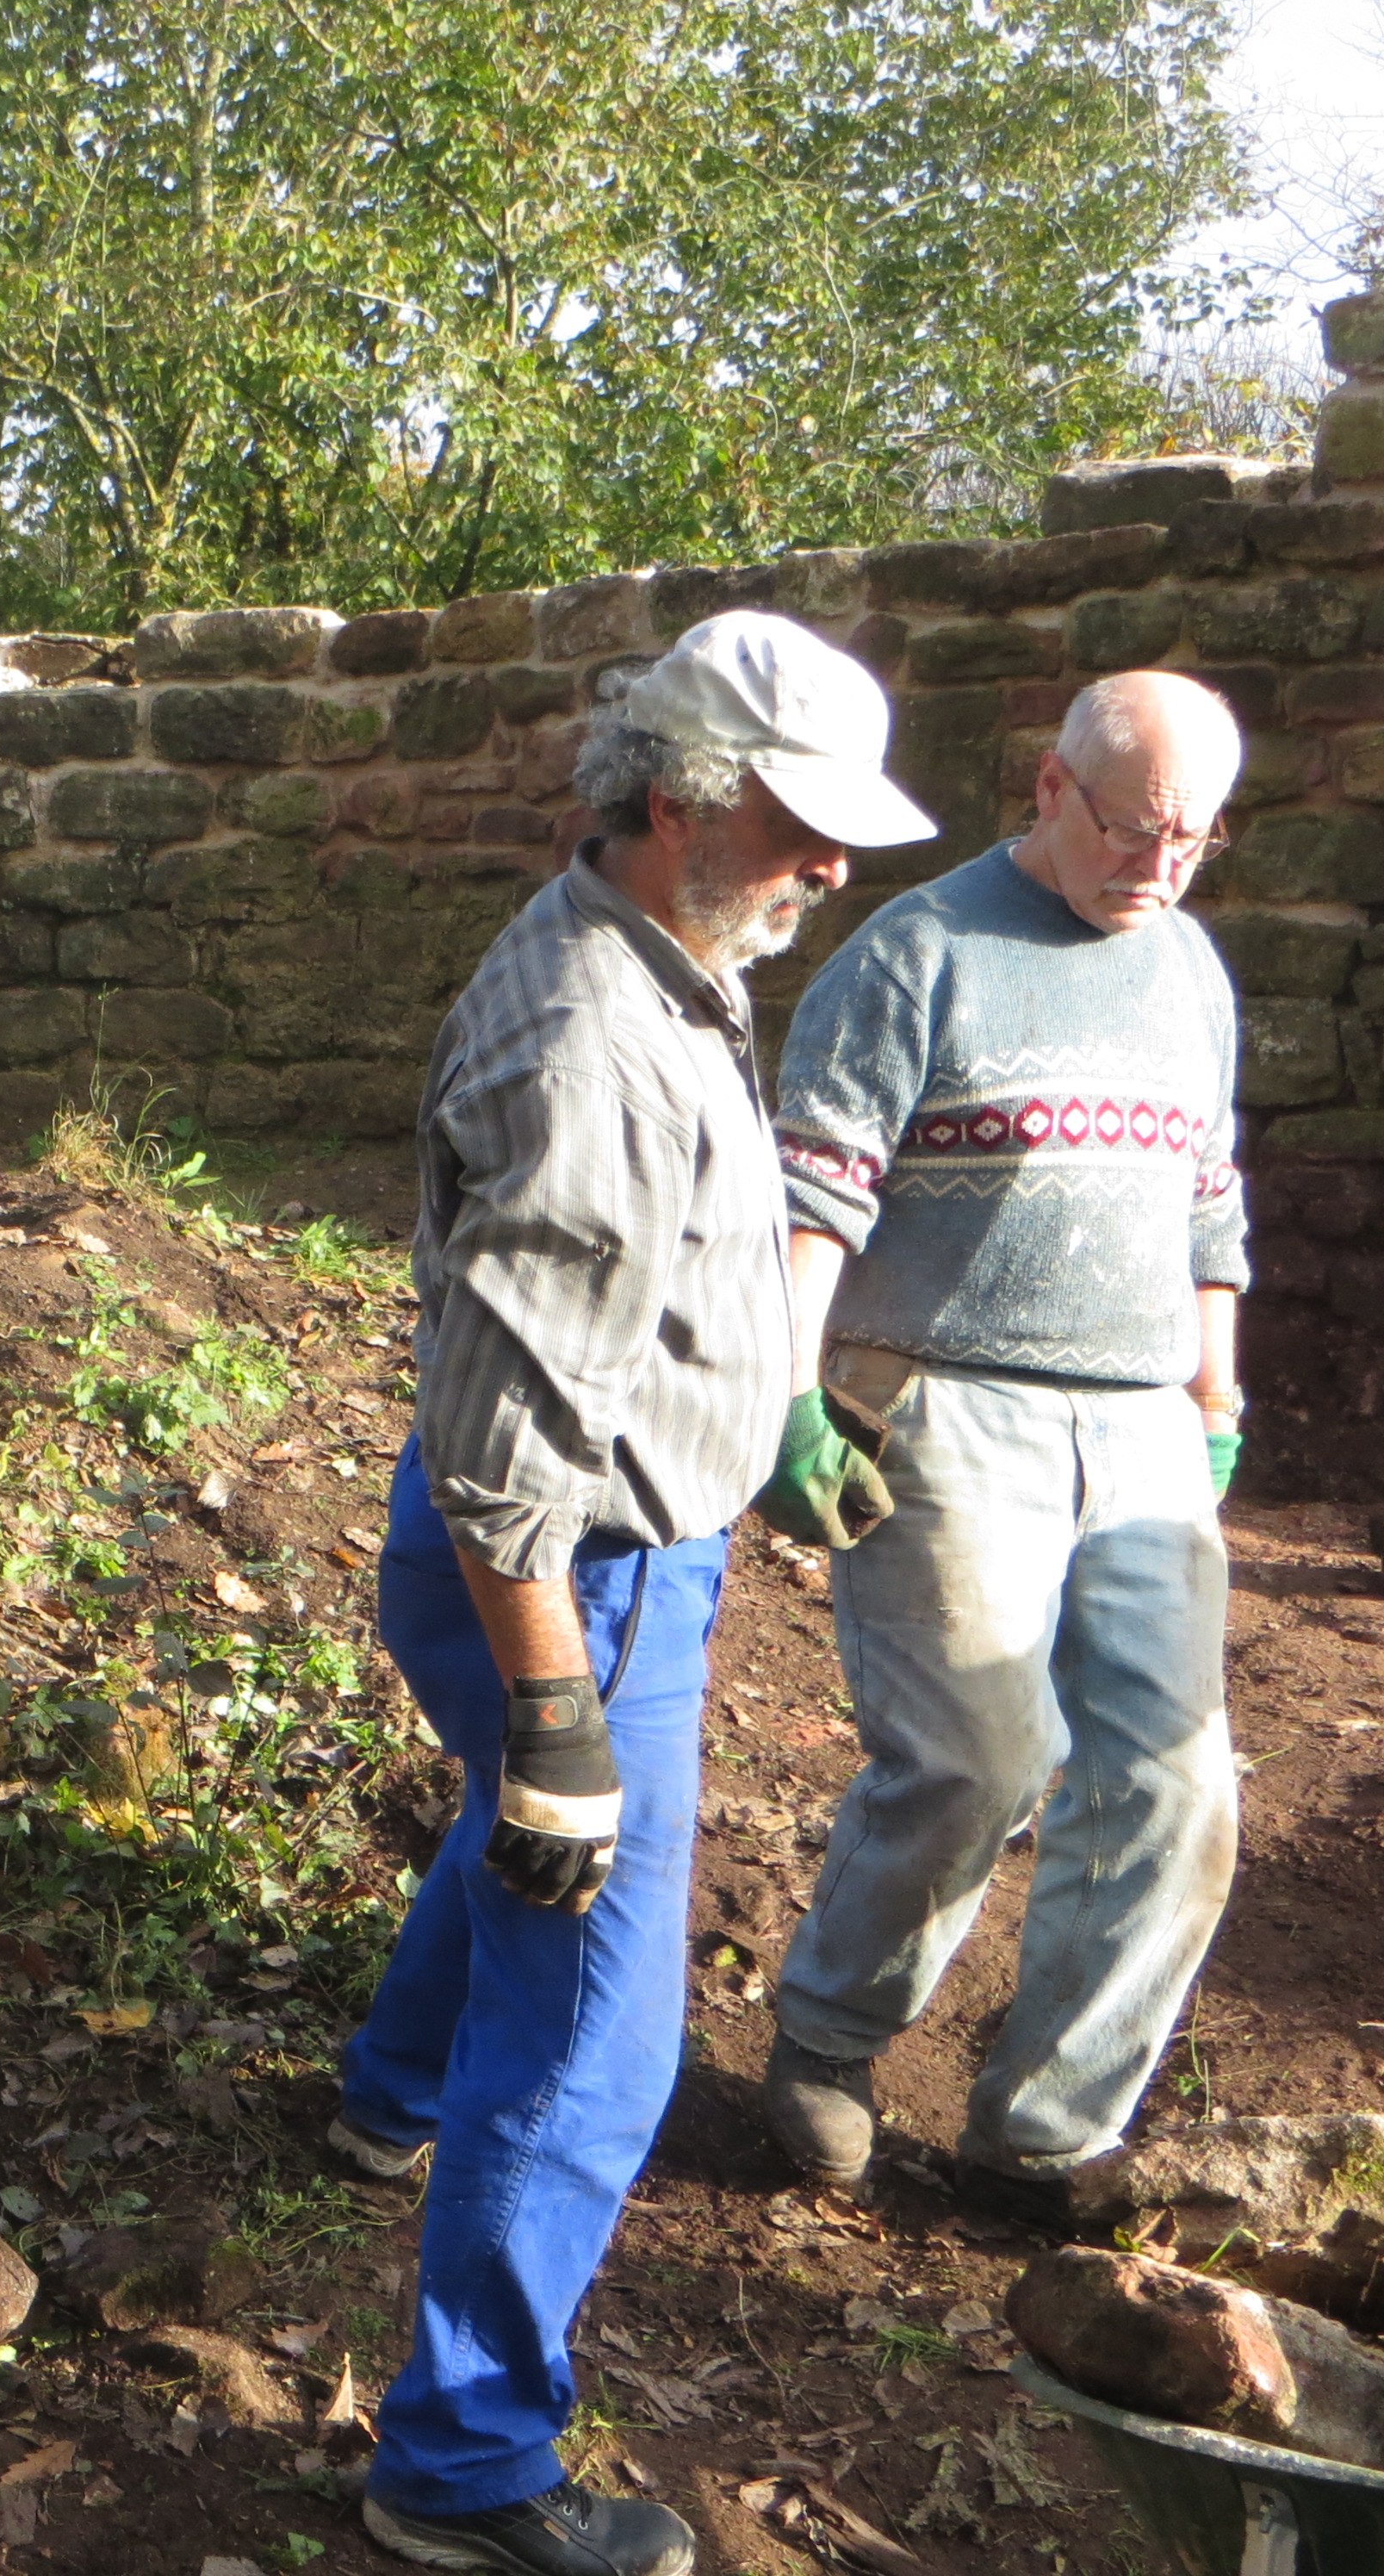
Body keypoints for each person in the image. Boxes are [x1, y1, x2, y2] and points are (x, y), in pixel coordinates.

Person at [330, 612, 934, 2576]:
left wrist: (770, 1412)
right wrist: (553, 1714)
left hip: (595, 1552)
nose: (828, 865)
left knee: (527, 1862)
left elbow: (644, 1286)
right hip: (569, 1581)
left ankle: (384, 2097)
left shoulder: (673, 953)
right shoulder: (592, 1041)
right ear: (676, 799)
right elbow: (510, 1450)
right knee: (594, 2034)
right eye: (796, 823)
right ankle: (461, 2470)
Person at [756, 669, 1247, 2210]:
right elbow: (812, 1199)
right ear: (1049, 786)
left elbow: (1210, 1201)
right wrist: (787, 1391)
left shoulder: (1190, 967)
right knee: (983, 1757)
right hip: (950, 1399)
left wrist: (1216, 1398)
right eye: (1131, 829)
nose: (1157, 866)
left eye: (1192, 841)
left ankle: (1047, 2130)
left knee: (1178, 1790)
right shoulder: (920, 953)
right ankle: (832, 2033)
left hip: (1145, 1416)